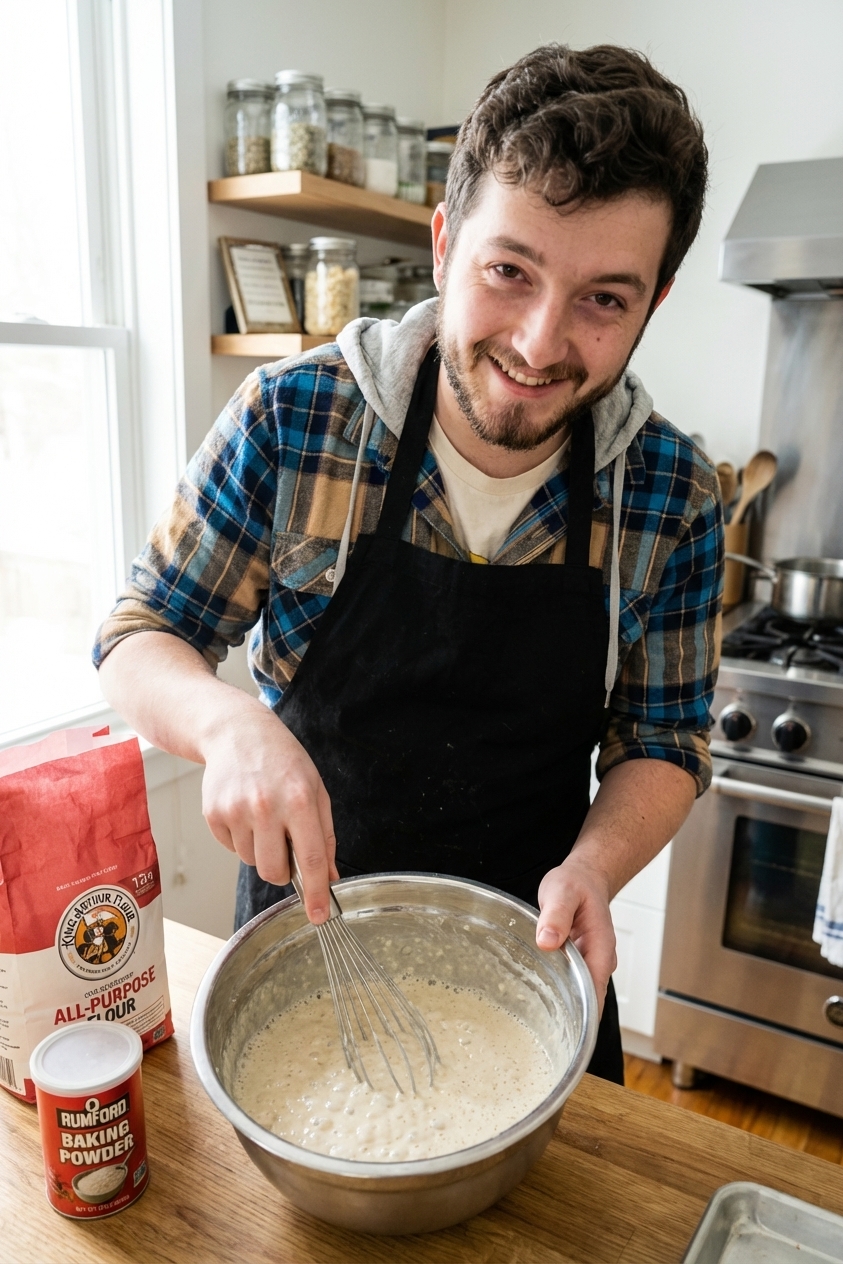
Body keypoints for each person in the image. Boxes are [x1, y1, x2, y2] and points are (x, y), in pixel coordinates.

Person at [94, 43, 722, 1084]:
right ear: (443, 243)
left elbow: (664, 740)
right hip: (309, 940)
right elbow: (136, 634)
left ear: (653, 303)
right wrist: (229, 723)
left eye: (604, 299)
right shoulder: (295, 424)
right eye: (508, 272)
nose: (538, 341)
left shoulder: (672, 495)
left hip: (535, 960)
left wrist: (598, 867)